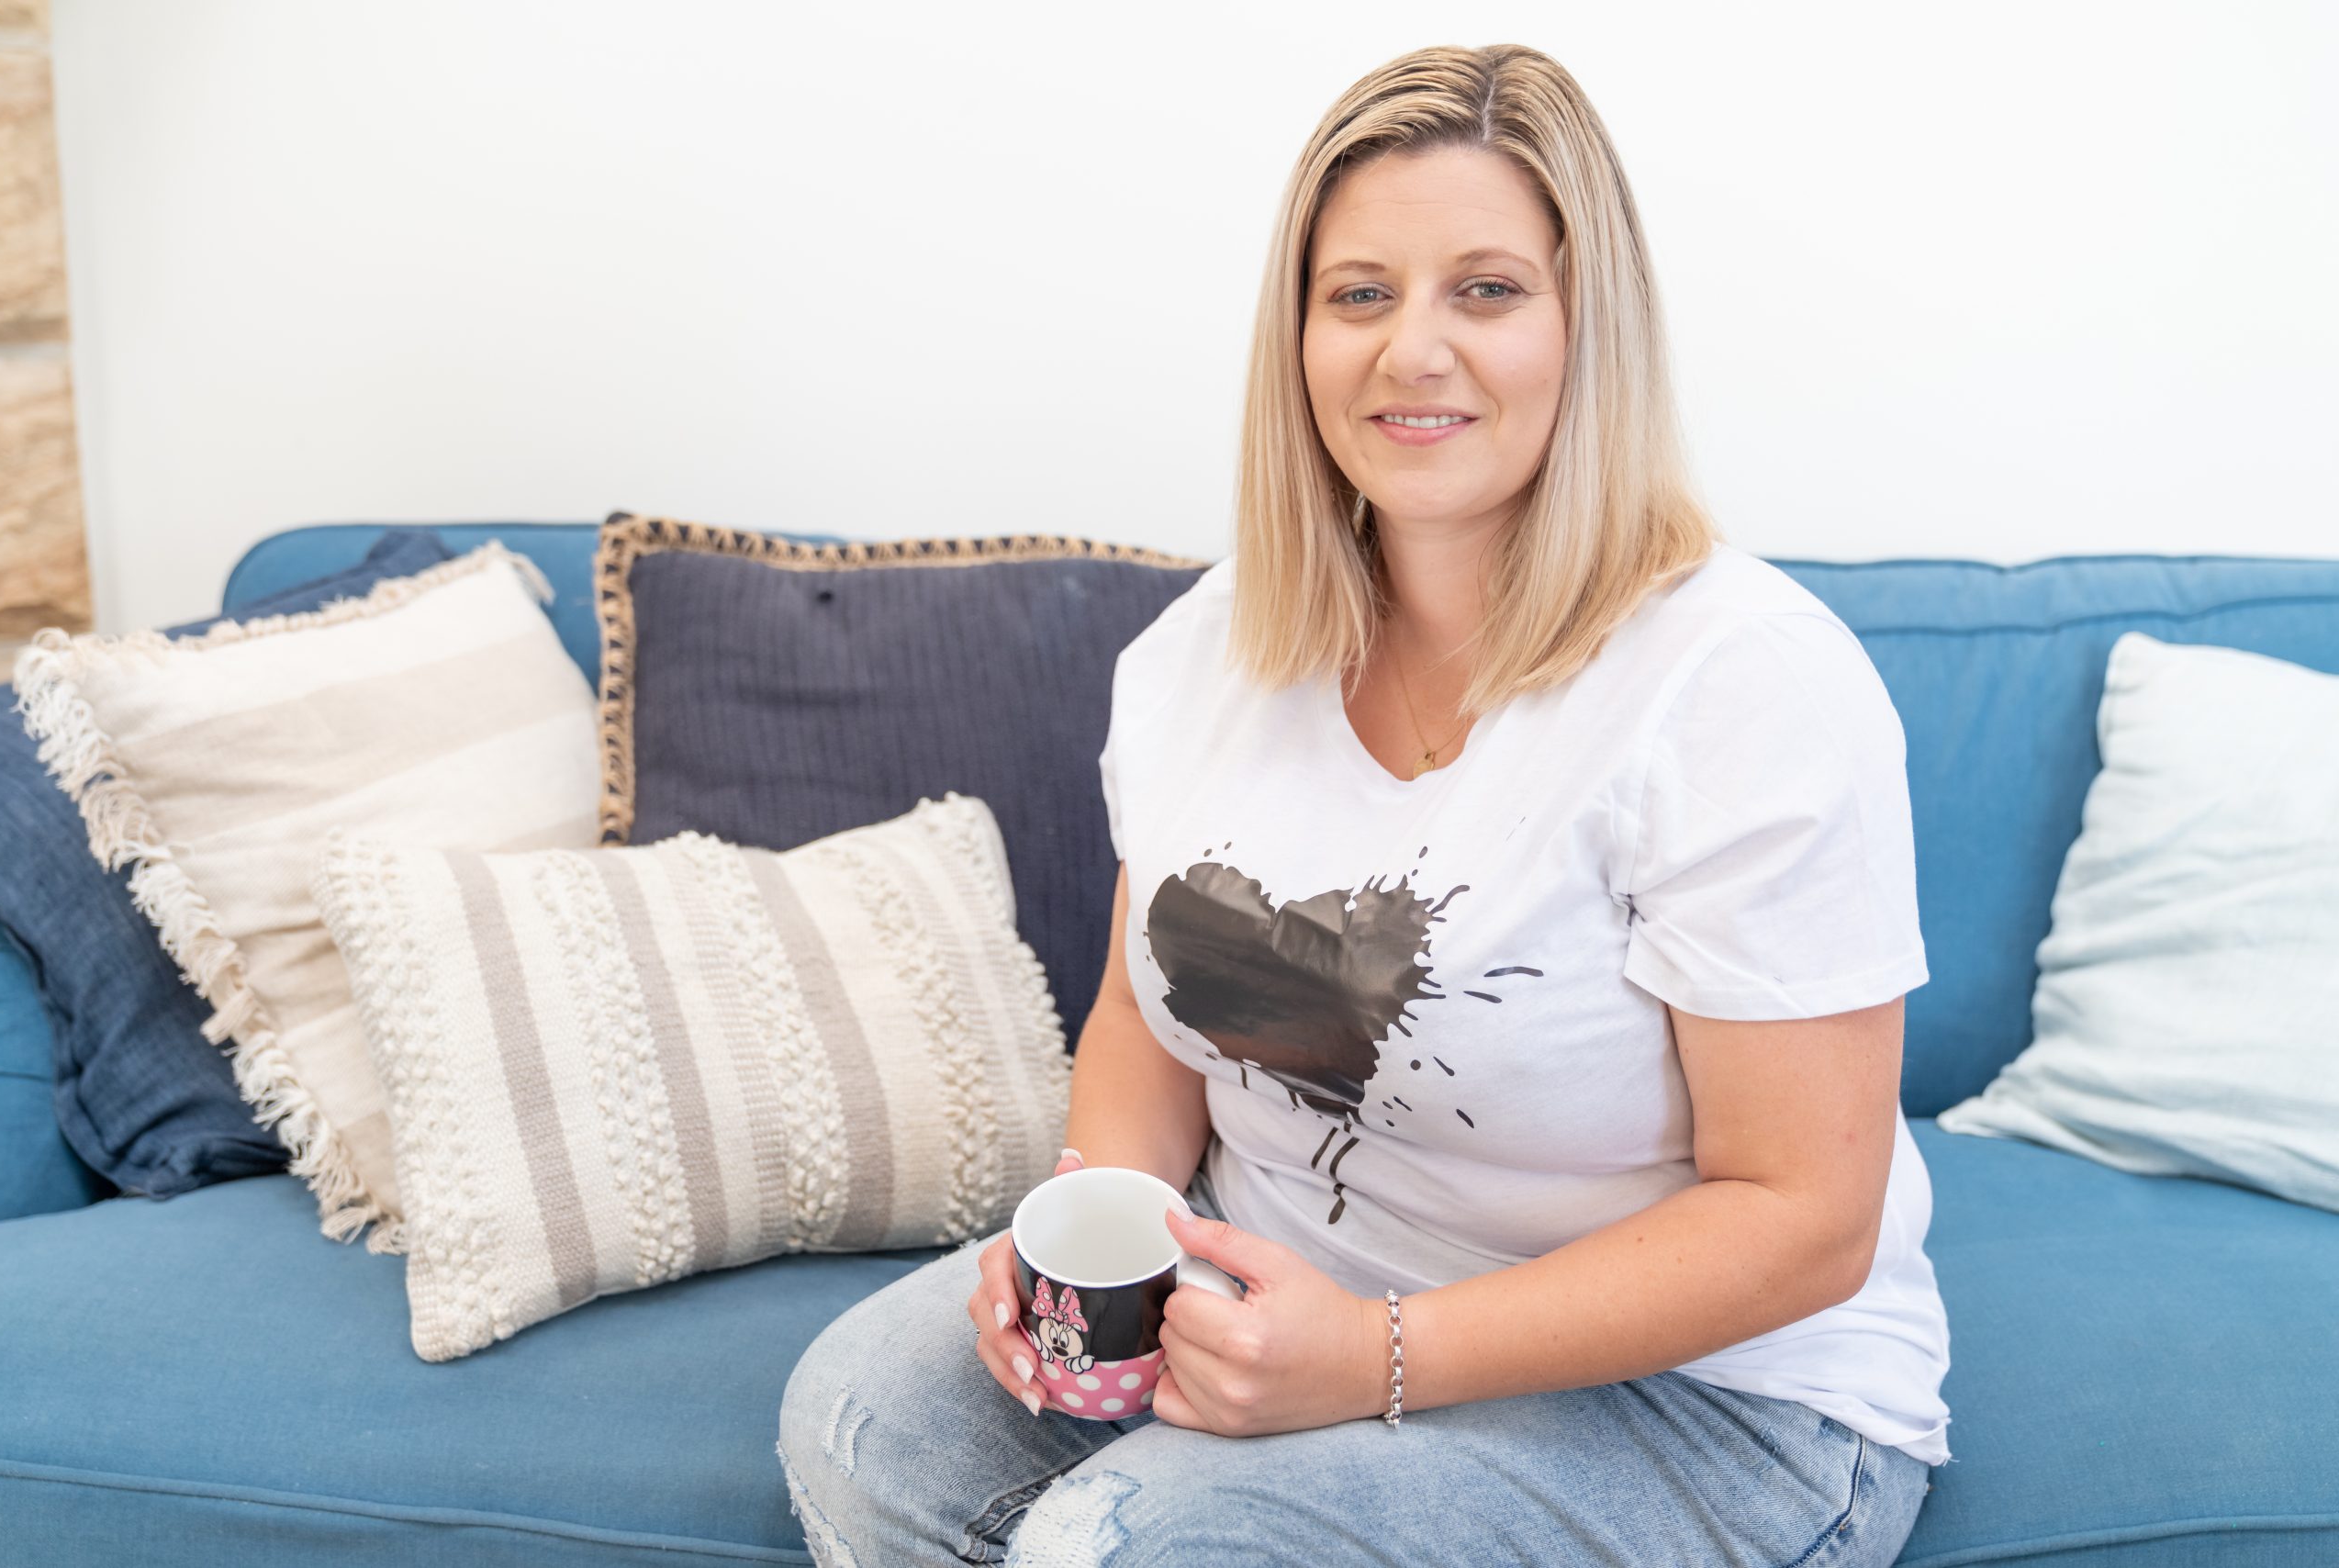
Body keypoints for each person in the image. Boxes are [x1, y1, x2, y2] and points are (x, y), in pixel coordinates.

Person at [776, 40, 1948, 1567]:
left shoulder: (1745, 683)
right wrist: (1096, 1229)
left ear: (1589, 327)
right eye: (1361, 294)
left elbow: (1802, 1216)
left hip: (1704, 1399)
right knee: (862, 1426)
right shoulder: (1202, 653)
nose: (1414, 350)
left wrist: (1376, 1357)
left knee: (1121, 1552)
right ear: (1301, 336)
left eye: (1487, 290)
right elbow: (1146, 1014)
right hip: (1277, 1299)